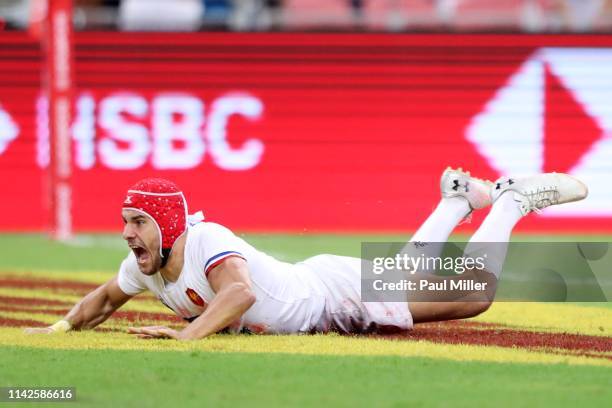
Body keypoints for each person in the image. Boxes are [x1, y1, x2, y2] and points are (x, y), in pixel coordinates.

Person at [24, 168, 587, 340]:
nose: (127, 232)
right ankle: (457, 202)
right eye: (125, 221)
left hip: (328, 296)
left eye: (138, 221)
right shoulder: (145, 265)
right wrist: (57, 329)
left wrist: (186, 335)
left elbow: (240, 293)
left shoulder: (207, 238)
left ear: (168, 223)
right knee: (417, 276)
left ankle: (508, 203)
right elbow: (101, 300)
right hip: (319, 283)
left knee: (474, 295)